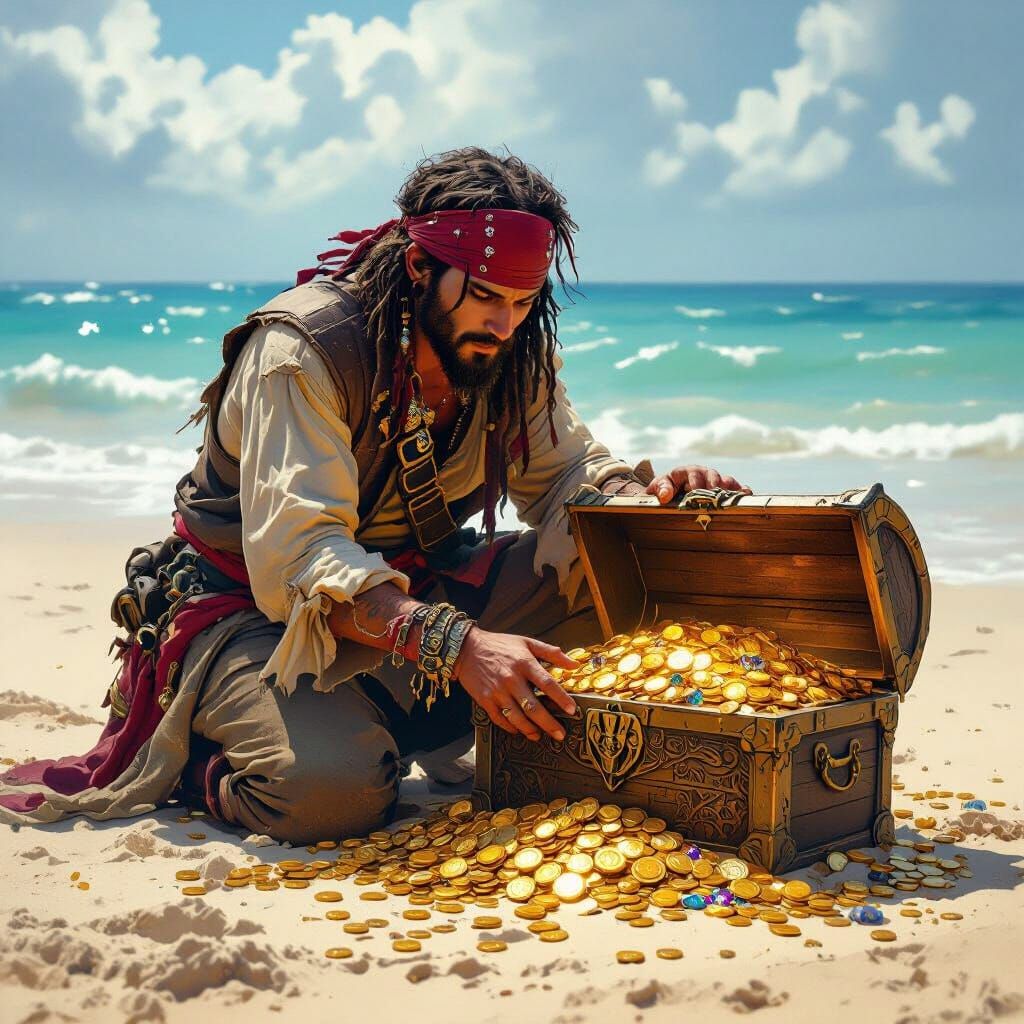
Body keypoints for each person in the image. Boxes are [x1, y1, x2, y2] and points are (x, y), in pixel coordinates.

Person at [0, 147, 749, 842]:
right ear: (421, 266)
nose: (505, 322)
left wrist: (653, 503)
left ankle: (414, 720)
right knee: (330, 794)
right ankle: (205, 748)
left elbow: (566, 480)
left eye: (523, 302)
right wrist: (459, 648)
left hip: (422, 589)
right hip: (257, 615)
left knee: (637, 589)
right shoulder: (303, 354)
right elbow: (301, 559)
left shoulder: (509, 349)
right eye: (486, 296)